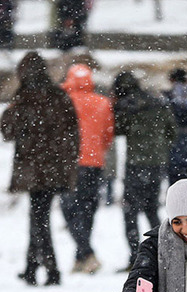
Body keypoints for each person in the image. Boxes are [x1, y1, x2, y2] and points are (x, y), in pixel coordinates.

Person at [0, 52, 79, 286]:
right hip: (55, 168)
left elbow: (7, 131)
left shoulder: (24, 99)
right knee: (38, 217)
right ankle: (31, 267)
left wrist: (12, 108)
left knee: (38, 218)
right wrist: (67, 162)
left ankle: (52, 270)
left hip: (33, 170)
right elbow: (73, 132)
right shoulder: (59, 95)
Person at [112, 71, 176, 270]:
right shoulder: (158, 102)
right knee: (151, 209)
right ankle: (161, 253)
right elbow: (171, 131)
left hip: (136, 164)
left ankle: (135, 257)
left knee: (130, 212)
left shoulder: (128, 106)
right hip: (157, 163)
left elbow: (118, 130)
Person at [59, 63, 115, 274]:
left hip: (68, 163)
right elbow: (108, 135)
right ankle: (81, 257)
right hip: (94, 164)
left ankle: (87, 253)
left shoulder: (63, 101)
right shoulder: (103, 102)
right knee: (87, 209)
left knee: (68, 208)